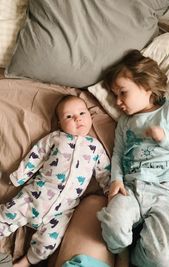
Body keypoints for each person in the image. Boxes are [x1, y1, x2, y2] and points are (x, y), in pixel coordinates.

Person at [97, 50, 169, 267]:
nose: (117, 102)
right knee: (113, 222)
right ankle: (122, 251)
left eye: (123, 93)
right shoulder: (125, 123)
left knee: (162, 258)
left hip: (164, 192)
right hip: (130, 188)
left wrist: (166, 137)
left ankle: (139, 256)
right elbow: (117, 152)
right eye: (114, 95)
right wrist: (116, 179)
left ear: (147, 86)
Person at [0, 95, 111, 267]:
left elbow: (104, 172)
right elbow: (36, 156)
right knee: (6, 215)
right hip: (34, 197)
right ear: (59, 123)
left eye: (82, 113)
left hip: (61, 211)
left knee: (49, 243)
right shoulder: (55, 138)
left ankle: (26, 262)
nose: (77, 118)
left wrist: (110, 191)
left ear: (90, 117)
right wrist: (19, 176)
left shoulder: (95, 147)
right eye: (69, 116)